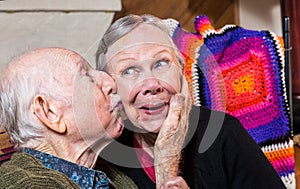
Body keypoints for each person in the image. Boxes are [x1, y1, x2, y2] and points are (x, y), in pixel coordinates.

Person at [95, 14, 287, 189]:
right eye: (129, 70)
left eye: (161, 63)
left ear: (181, 70)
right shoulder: (106, 158)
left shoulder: (223, 133)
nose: (151, 84)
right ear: (111, 88)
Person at [0, 47, 135, 188]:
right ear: (50, 113)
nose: (111, 82)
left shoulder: (111, 175)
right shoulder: (24, 185)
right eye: (87, 76)